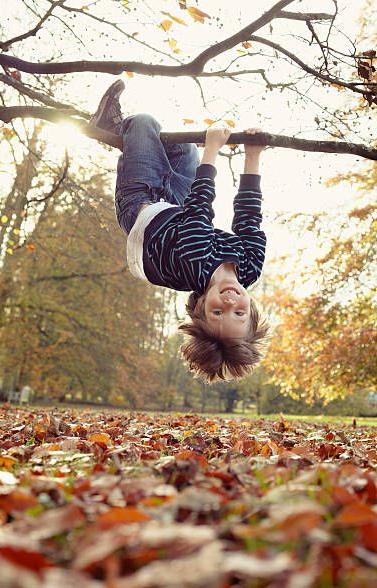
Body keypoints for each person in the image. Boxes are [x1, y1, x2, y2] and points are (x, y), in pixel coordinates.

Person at [90, 80, 270, 382]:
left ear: (200, 306)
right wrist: (254, 155)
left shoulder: (196, 267)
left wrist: (212, 150)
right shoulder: (250, 268)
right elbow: (249, 216)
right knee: (181, 144)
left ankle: (110, 127)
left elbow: (200, 212)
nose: (229, 304)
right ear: (251, 310)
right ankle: (127, 139)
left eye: (217, 313)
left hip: (142, 208)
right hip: (181, 205)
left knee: (144, 124)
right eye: (239, 314)